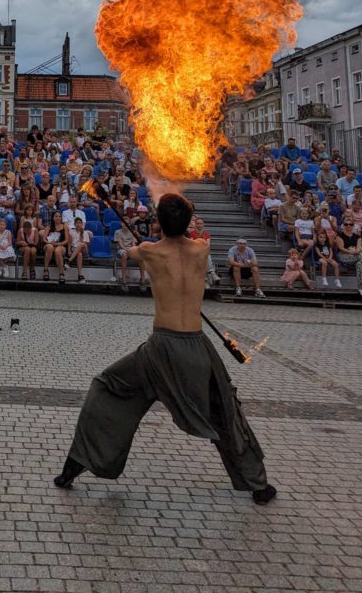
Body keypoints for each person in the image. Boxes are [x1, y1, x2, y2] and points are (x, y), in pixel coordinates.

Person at [54, 193, 276, 505]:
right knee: (224, 411)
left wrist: (147, 243)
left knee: (107, 387)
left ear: (159, 222)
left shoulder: (149, 251)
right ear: (188, 221)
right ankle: (259, 485)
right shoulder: (202, 248)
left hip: (160, 351)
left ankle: (73, 467)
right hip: (198, 347)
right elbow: (183, 239)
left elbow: (130, 250)